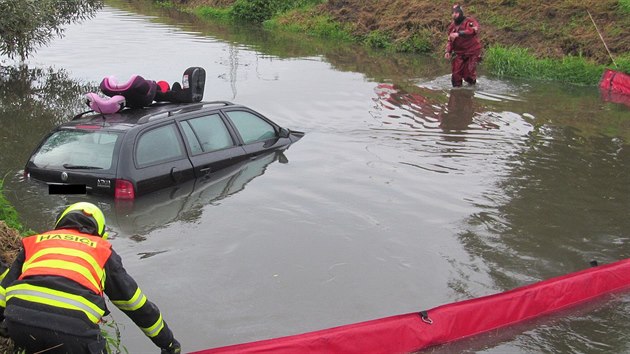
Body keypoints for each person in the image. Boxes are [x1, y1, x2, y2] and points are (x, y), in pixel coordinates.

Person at [0, 202, 181, 354]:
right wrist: (168, 343)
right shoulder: (101, 250)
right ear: (99, 233)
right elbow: (136, 305)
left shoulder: (37, 241)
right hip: (75, 335)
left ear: (60, 223)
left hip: (19, 323)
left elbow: (3, 289)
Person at [444, 4, 483, 87]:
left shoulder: (469, 21)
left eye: (456, 12)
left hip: (472, 51)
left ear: (461, 13)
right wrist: (448, 51)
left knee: (468, 75)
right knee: (455, 75)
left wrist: (459, 34)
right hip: (459, 53)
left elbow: (472, 31)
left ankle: (472, 86)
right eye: (453, 13)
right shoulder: (451, 26)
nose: (454, 14)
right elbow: (450, 40)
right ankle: (456, 95)